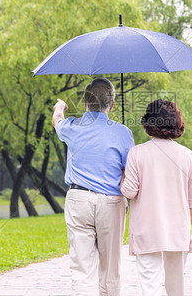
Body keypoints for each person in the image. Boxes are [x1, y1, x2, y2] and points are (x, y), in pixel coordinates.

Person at [52, 77, 134, 296]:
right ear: (112, 105)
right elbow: (129, 172)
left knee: (81, 267)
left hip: (79, 199)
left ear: (85, 102)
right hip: (111, 201)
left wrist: (60, 107)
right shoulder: (124, 133)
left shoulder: (72, 126)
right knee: (111, 268)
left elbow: (57, 121)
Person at [120, 99, 192, 296]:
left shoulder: (136, 153)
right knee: (176, 287)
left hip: (146, 230)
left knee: (149, 286)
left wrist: (123, 174)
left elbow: (129, 192)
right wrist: (186, 229)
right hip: (178, 230)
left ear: (149, 122)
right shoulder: (187, 155)